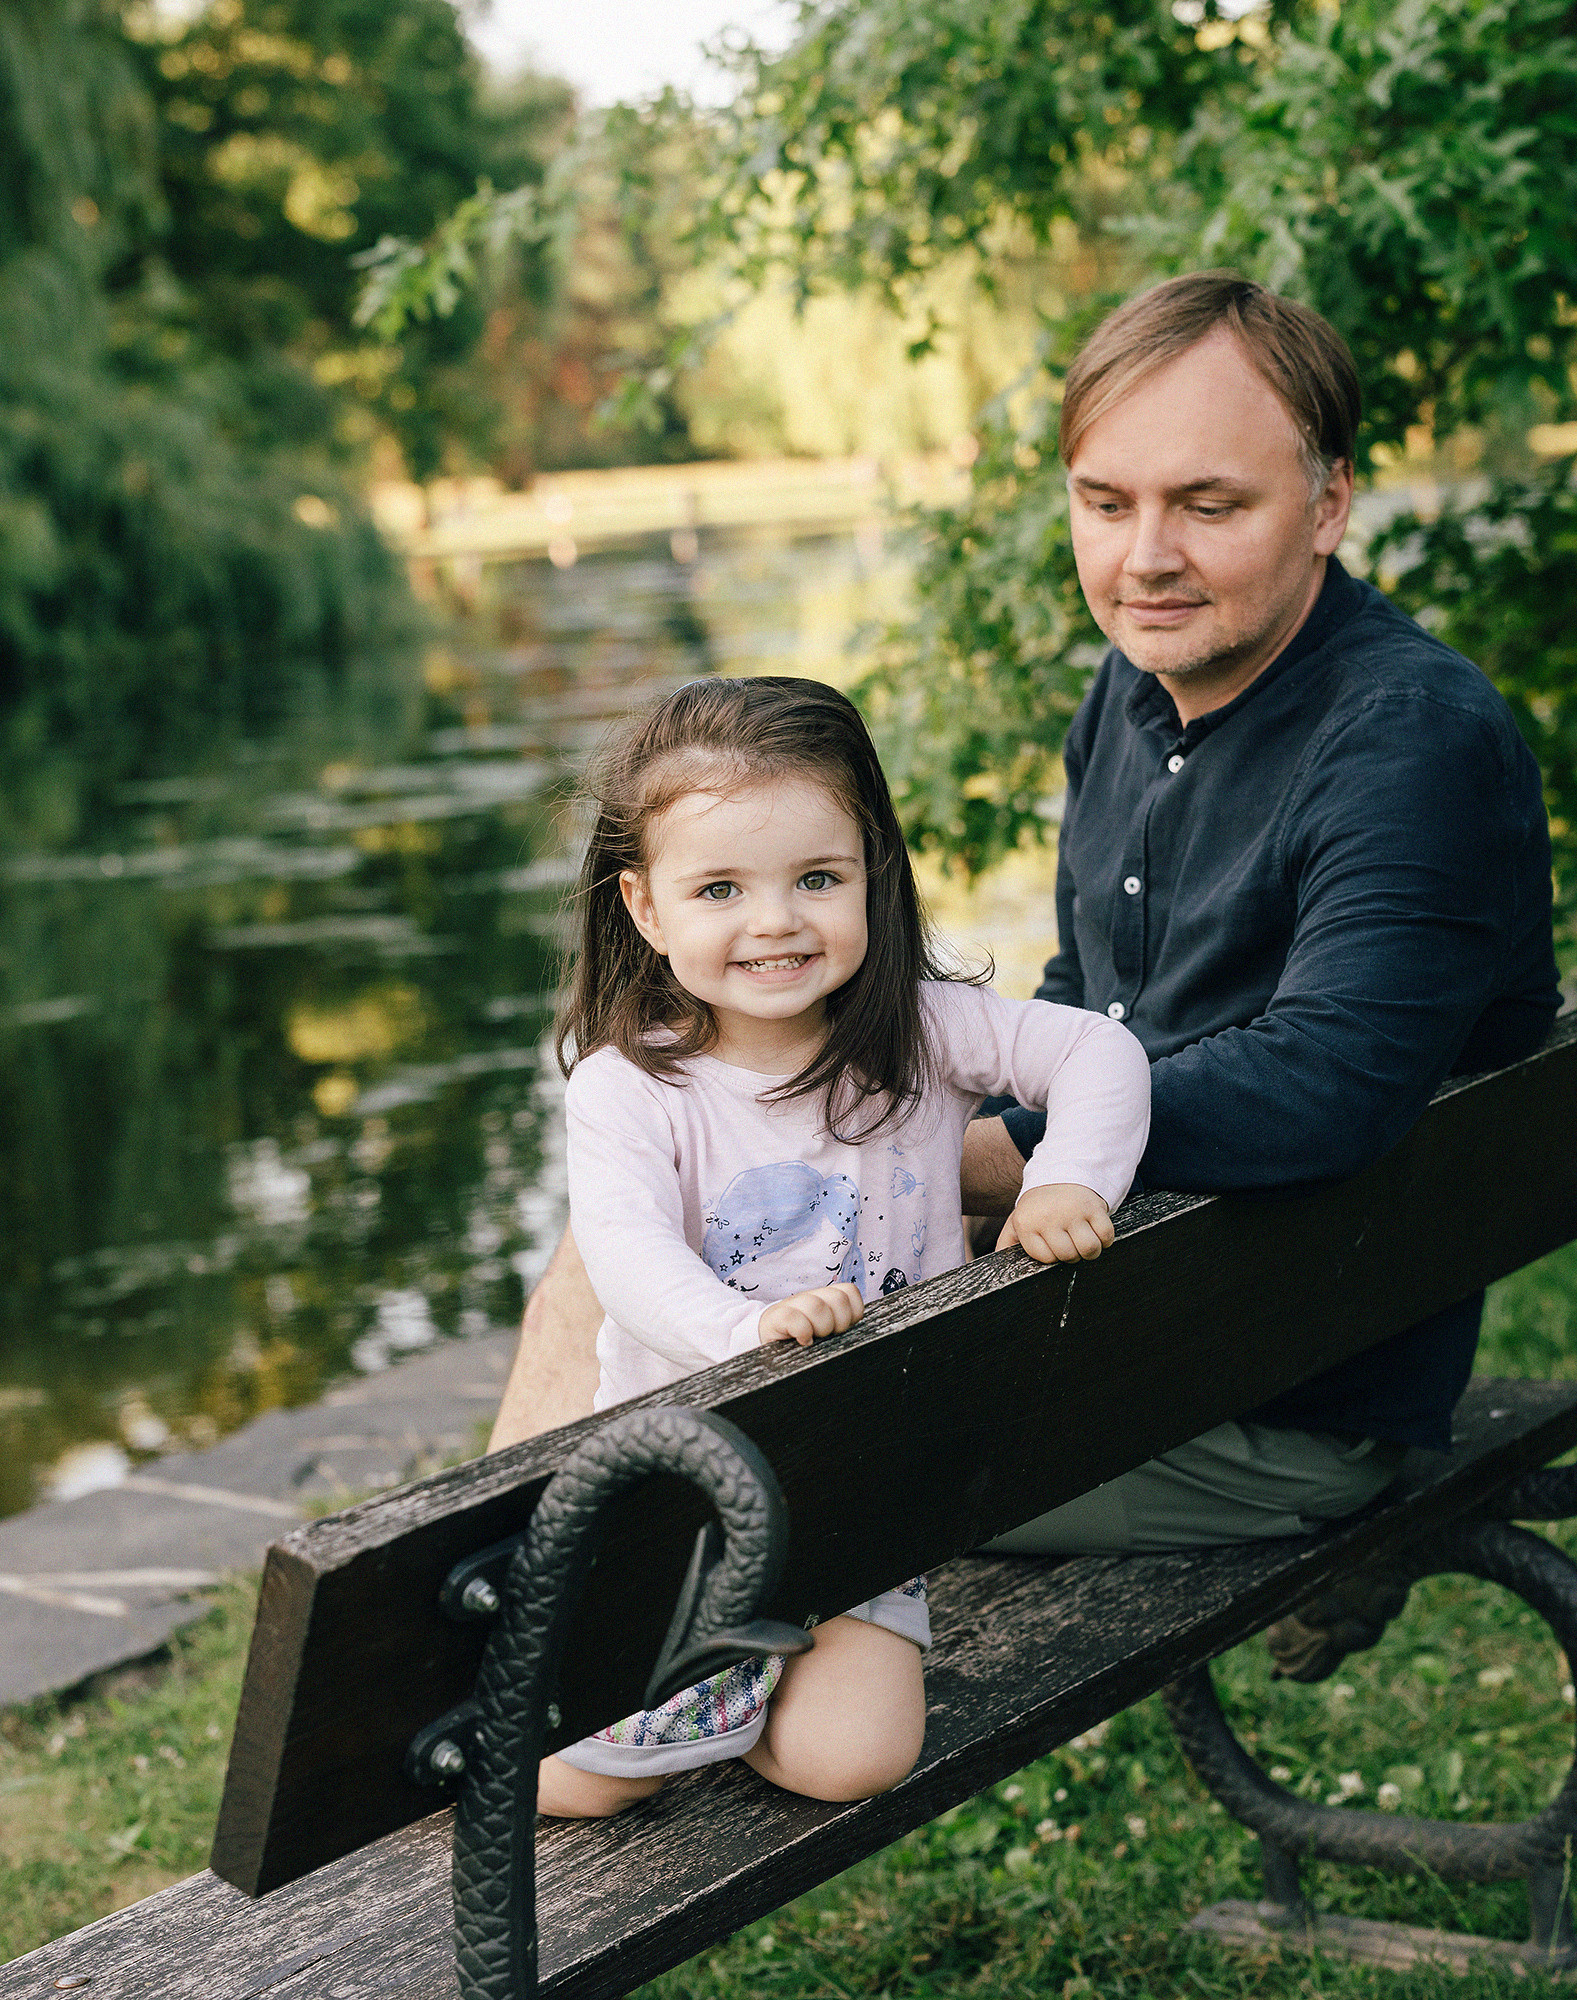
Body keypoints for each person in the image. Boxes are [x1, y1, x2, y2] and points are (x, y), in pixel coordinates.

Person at [495, 270, 1560, 1681]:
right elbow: (1075, 1007)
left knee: (693, 1384)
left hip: (1267, 1395)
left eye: (1209, 504)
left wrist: (980, 1161)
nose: (1144, 557)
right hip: (1135, 1310)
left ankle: (502, 1671)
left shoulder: (1407, 744)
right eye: (1104, 503)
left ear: (1329, 504)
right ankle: (508, 1644)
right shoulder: (1126, 700)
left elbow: (1329, 1088)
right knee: (640, 1250)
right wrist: (957, 1137)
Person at [537, 676, 1151, 1817]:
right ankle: (705, 1668)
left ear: (870, 868)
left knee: (850, 1758)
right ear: (645, 905)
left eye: (816, 878)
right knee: (566, 1783)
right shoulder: (632, 1089)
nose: (774, 921)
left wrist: (1069, 1178)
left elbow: (1100, 1057)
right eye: (719, 887)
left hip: (860, 1489)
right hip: (679, 1507)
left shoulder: (919, 1029)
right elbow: (621, 1255)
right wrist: (743, 1329)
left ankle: (753, 1678)